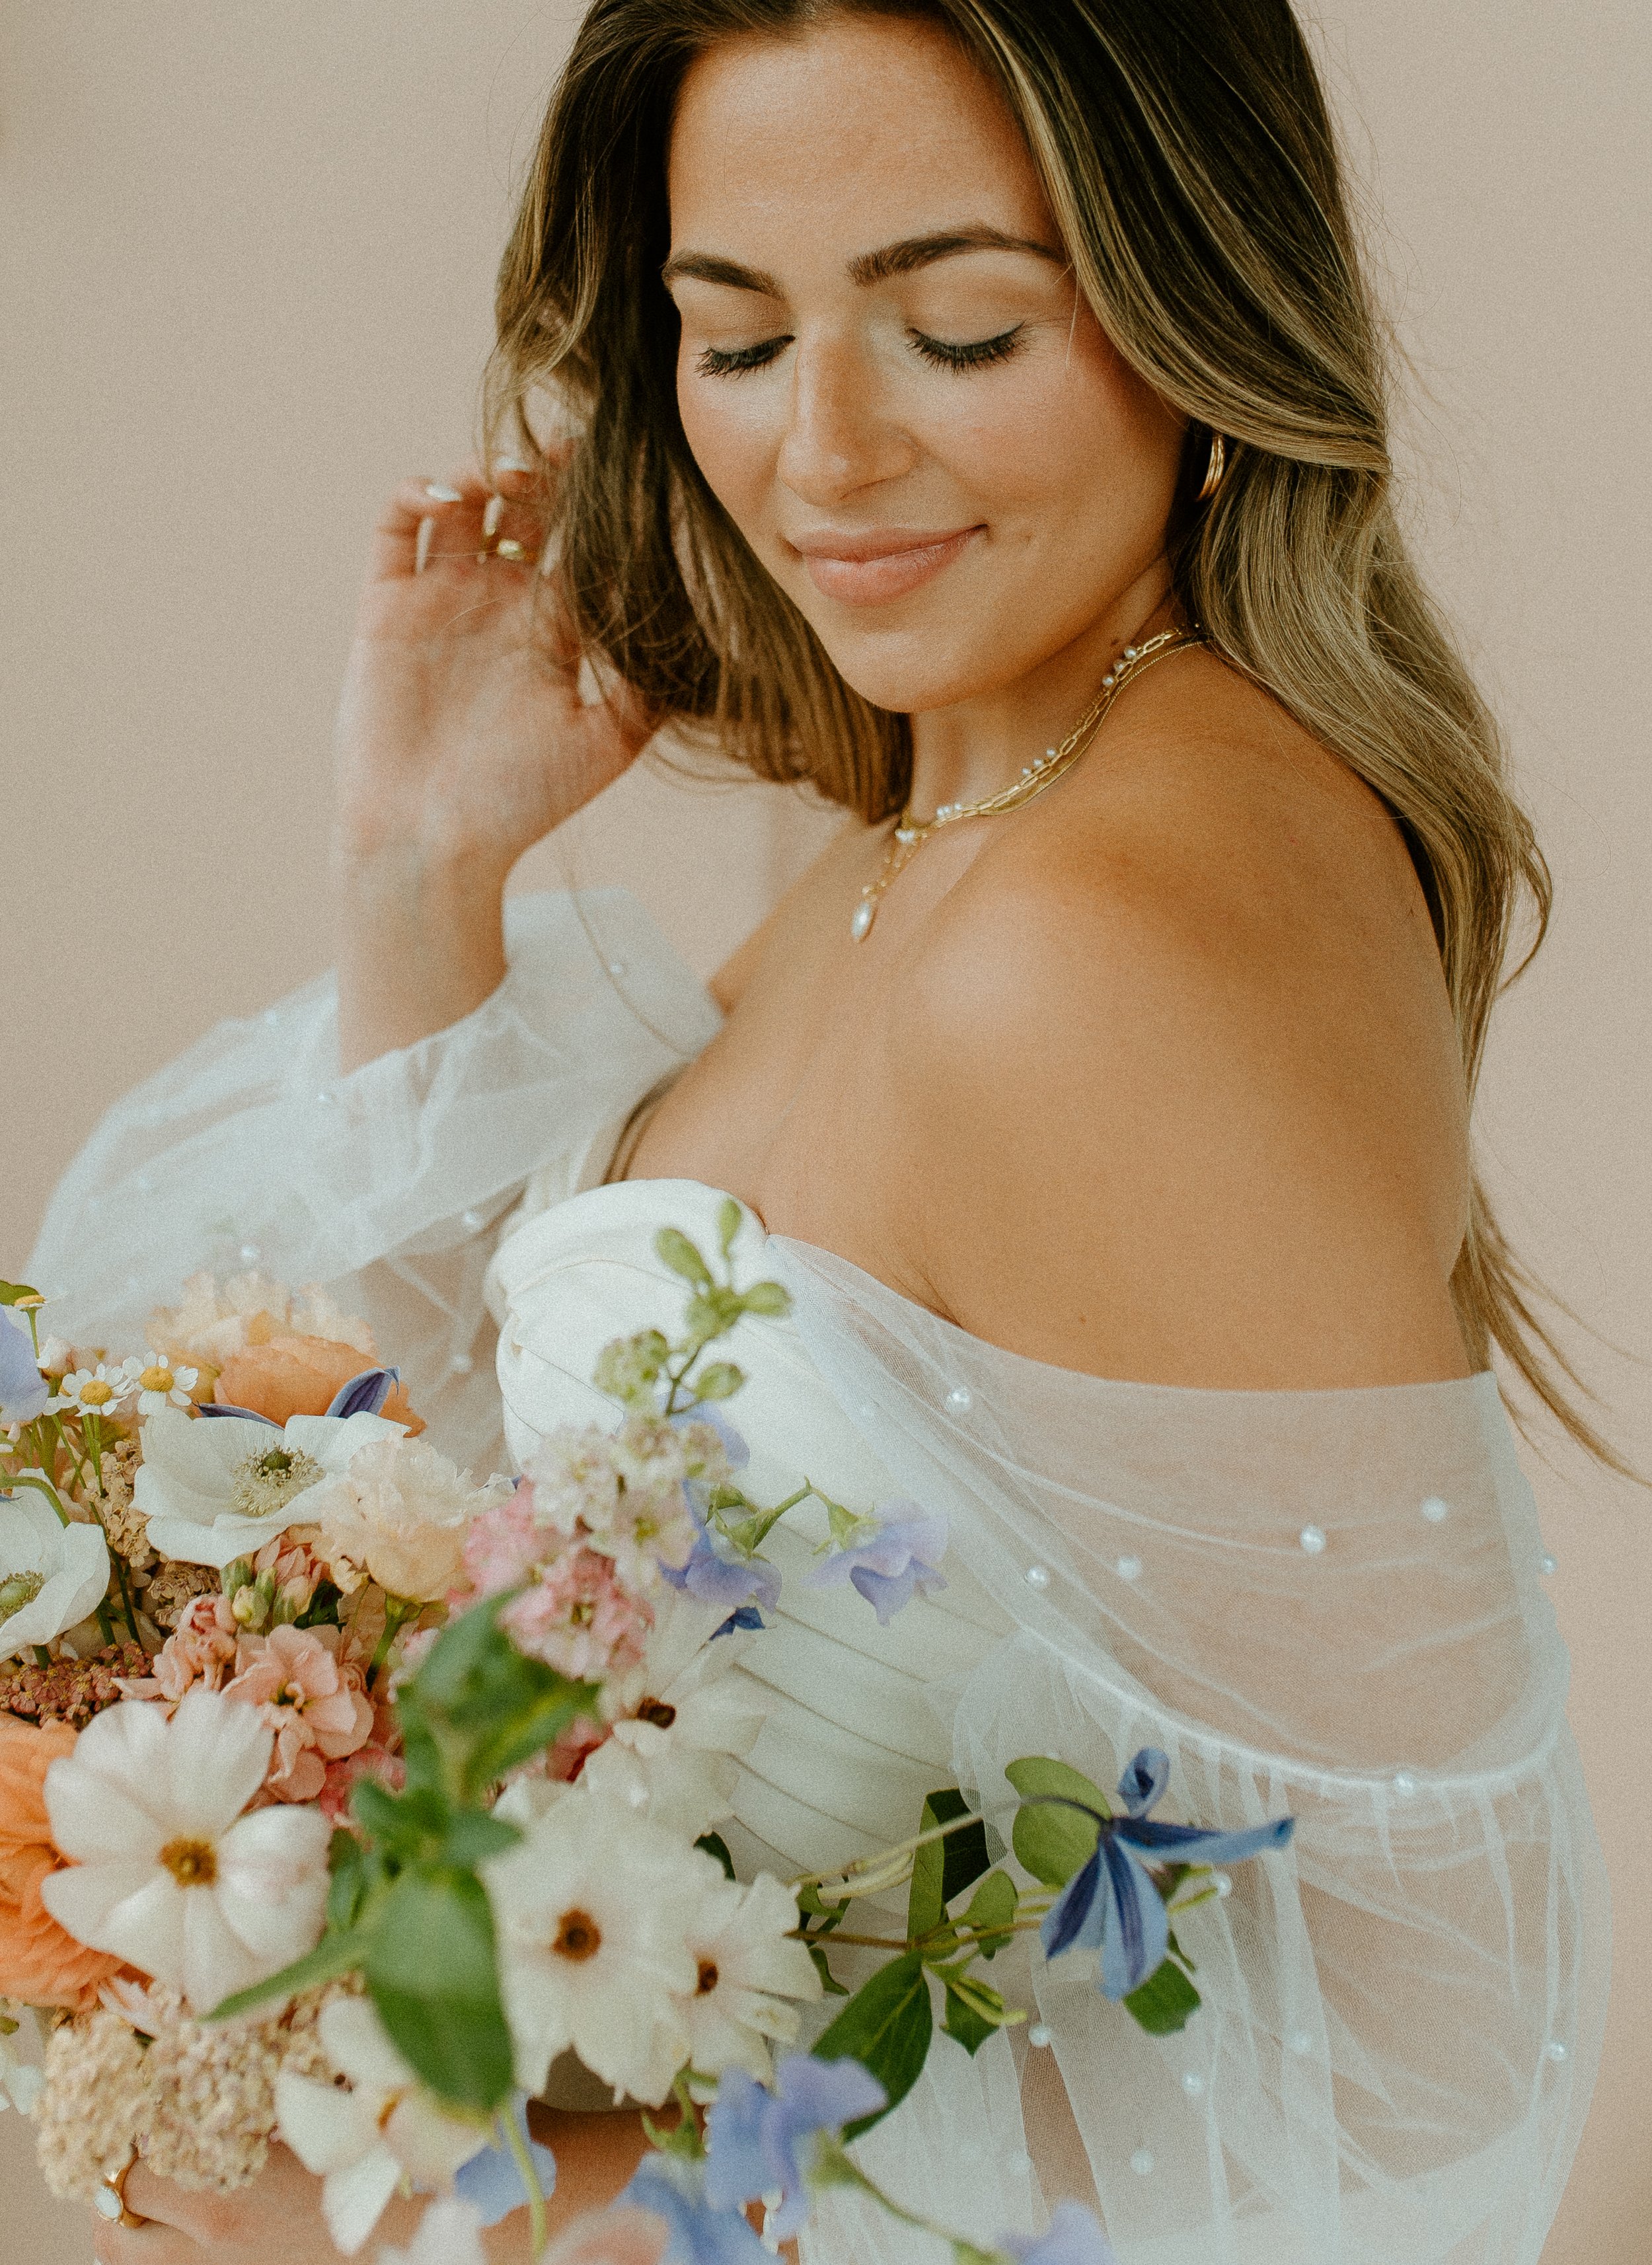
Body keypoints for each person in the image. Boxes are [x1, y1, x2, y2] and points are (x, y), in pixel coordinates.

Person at [32, 3, 1607, 2260]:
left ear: (1199, 305)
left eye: (957, 327)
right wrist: (420, 881)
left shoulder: (1104, 930)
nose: (827, 452)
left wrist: (491, 2214)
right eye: (736, 336)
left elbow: (1427, 2031)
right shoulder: (920, 845)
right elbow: (455, 1473)